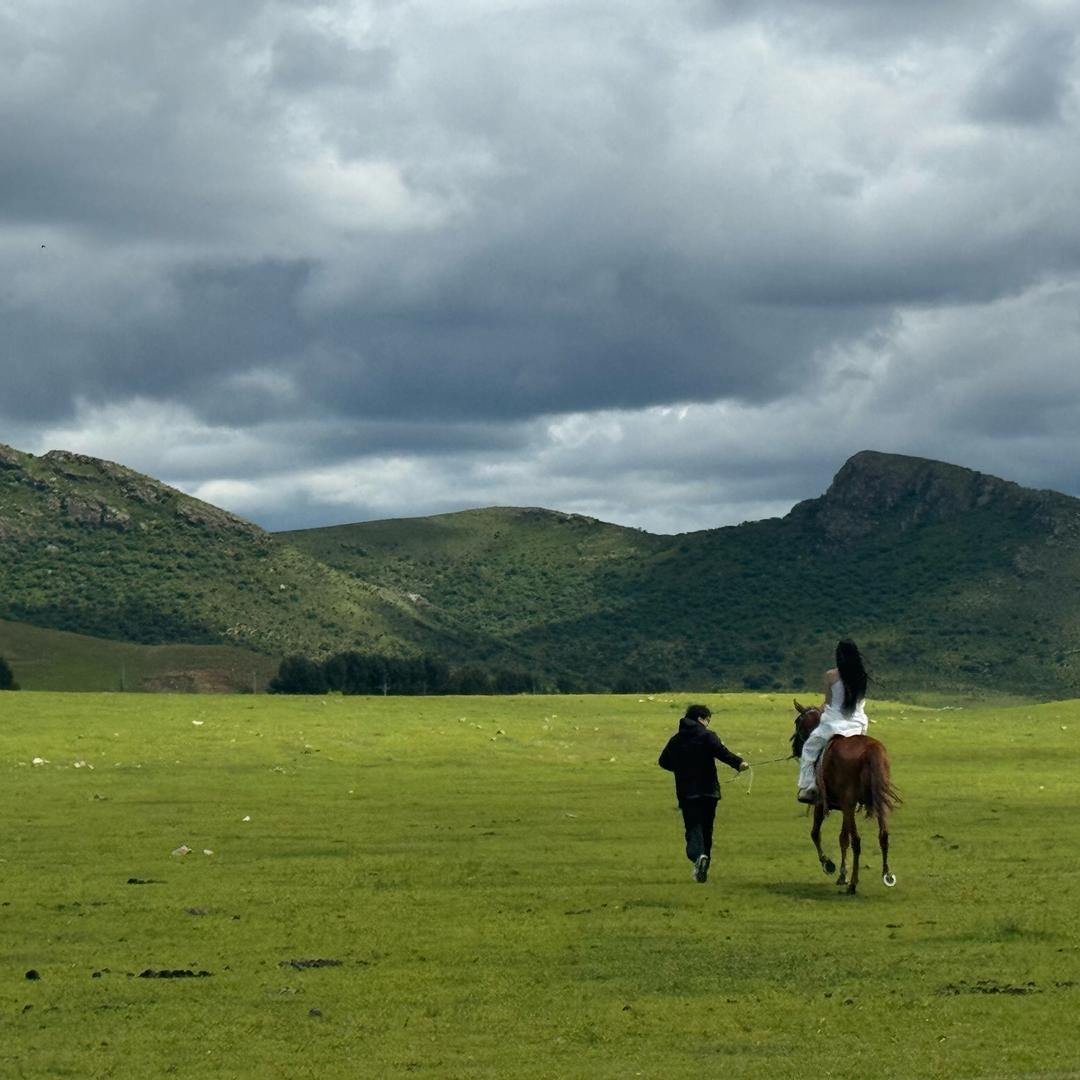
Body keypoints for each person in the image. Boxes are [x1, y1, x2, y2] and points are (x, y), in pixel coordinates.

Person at [658, 704, 749, 883]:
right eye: (708, 720)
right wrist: (739, 763)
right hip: (709, 791)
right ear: (701, 718)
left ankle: (698, 858)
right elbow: (722, 753)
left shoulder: (675, 740)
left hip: (687, 793)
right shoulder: (708, 736)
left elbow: (663, 762)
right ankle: (703, 862)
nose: (708, 723)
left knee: (693, 828)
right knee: (707, 829)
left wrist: (681, 769)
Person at [797, 639, 870, 803]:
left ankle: (809, 786)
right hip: (858, 724)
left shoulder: (831, 675)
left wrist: (818, 710)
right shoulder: (862, 676)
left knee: (809, 748)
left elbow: (829, 703)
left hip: (834, 724)